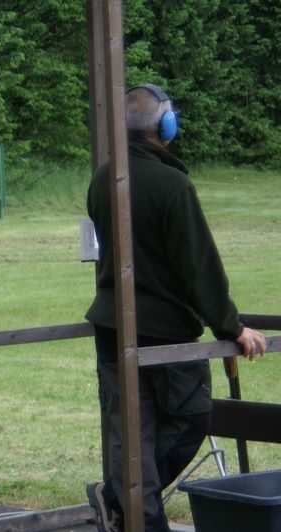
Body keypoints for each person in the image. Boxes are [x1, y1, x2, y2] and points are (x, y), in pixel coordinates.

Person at [84, 83, 266, 531]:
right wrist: (230, 326)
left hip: (112, 329)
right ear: (166, 125)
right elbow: (199, 266)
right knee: (191, 420)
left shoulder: (102, 178)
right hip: (166, 336)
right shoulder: (172, 184)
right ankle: (120, 500)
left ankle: (126, 505)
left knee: (133, 438)